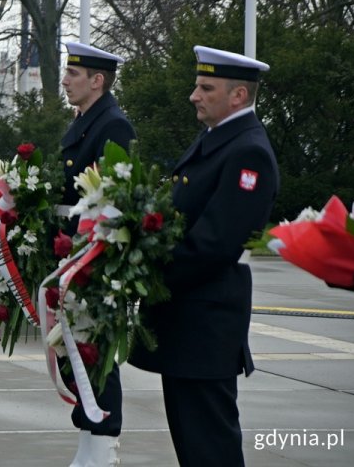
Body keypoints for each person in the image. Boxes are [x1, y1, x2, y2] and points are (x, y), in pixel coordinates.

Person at [129, 46, 279, 467]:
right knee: (192, 442)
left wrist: (144, 272)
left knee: (209, 445)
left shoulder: (247, 152)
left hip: (205, 322)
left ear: (238, 96)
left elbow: (214, 245)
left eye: (206, 87)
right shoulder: (217, 140)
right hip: (188, 319)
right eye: (197, 85)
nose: (194, 95)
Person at [56, 42, 135, 467]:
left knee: (94, 349)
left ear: (97, 81)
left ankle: (104, 445)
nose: (66, 81)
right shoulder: (86, 120)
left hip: (92, 256)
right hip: (70, 251)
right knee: (73, 347)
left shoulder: (113, 126)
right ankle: (89, 437)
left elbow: (110, 201)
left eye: (73, 74)